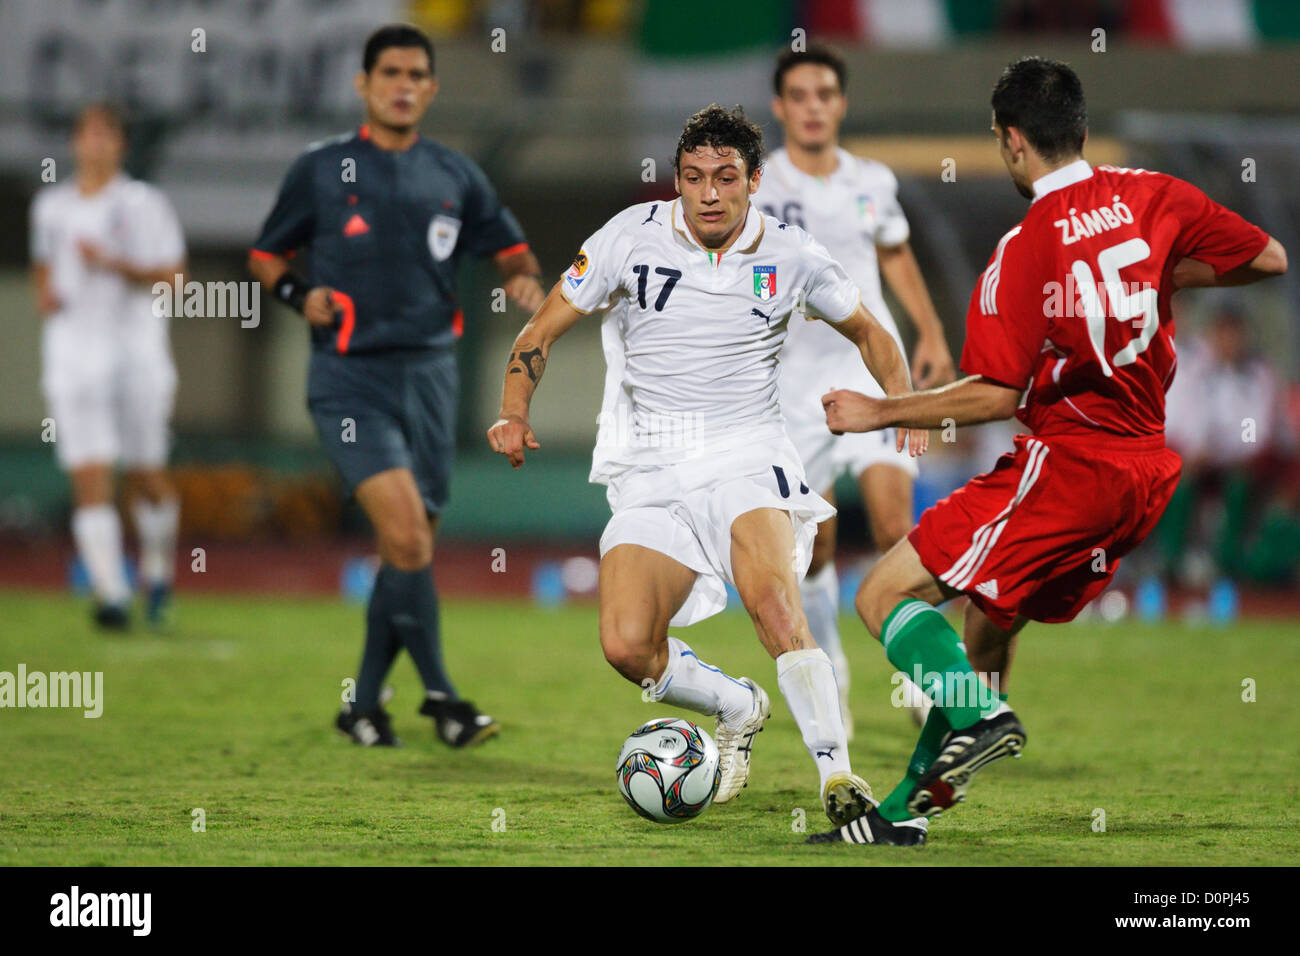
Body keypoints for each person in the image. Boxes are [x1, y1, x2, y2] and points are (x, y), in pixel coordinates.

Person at [807, 56, 1286, 846]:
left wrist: (879, 408)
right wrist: (1149, 283)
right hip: (1145, 476)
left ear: (1011, 140)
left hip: (1071, 464)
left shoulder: (1024, 249)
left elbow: (997, 394)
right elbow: (1269, 258)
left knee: (880, 595)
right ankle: (905, 812)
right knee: (990, 624)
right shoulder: (1154, 194)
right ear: (1085, 131)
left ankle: (979, 713)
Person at [488, 104, 925, 825]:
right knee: (626, 644)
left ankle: (838, 777)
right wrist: (513, 410)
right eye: (694, 178)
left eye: (726, 178)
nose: (709, 194)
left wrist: (902, 405)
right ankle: (735, 704)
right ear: (678, 181)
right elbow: (543, 327)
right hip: (651, 464)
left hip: (747, 453)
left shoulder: (792, 254)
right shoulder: (630, 238)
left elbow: (871, 332)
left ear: (755, 180)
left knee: (776, 605)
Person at [248, 24, 545, 748]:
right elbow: (265, 252)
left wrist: (528, 287)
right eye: (389, 72)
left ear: (432, 88)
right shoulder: (323, 169)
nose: (403, 84)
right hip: (350, 379)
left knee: (404, 550)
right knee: (409, 536)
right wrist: (296, 293)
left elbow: (512, 255)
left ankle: (362, 706)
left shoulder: (456, 174)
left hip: (433, 378)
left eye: (416, 73)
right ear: (364, 84)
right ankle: (443, 697)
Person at [756, 44, 956, 732]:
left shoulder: (871, 180)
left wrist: (928, 330)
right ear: (781, 107)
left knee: (898, 525)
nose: (814, 106)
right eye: (801, 95)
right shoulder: (755, 185)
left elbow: (894, 253)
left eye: (825, 94)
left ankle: (927, 680)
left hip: (874, 376)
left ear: (841, 103)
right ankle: (832, 667)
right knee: (812, 549)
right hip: (789, 389)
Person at [29, 103, 186, 632]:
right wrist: (47, 296)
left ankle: (159, 569)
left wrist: (119, 266)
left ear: (119, 143)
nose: (95, 143)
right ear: (74, 143)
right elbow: (44, 270)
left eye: (106, 133)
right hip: (74, 355)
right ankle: (112, 593)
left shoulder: (144, 204)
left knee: (145, 476)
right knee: (90, 473)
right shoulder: (52, 206)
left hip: (137, 353)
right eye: (87, 133)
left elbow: (175, 281)